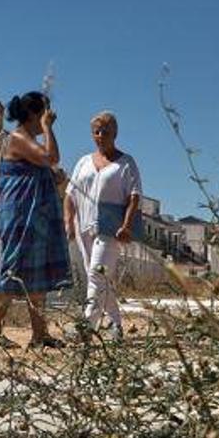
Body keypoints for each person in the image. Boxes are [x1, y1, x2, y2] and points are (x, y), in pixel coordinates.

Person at [0, 91, 71, 350]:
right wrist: (47, 128)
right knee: (12, 268)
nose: (49, 116)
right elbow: (52, 158)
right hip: (20, 214)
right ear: (35, 113)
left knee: (37, 272)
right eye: (45, 112)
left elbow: (40, 169)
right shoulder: (19, 138)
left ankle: (40, 334)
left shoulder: (28, 141)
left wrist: (51, 178)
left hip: (35, 215)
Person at [64, 111, 142, 339]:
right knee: (98, 276)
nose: (100, 136)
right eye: (96, 132)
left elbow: (135, 196)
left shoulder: (126, 163)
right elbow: (70, 194)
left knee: (97, 274)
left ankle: (86, 326)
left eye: (105, 132)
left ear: (115, 133)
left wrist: (126, 225)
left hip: (111, 230)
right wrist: (68, 220)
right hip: (84, 227)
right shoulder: (83, 162)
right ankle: (116, 325)